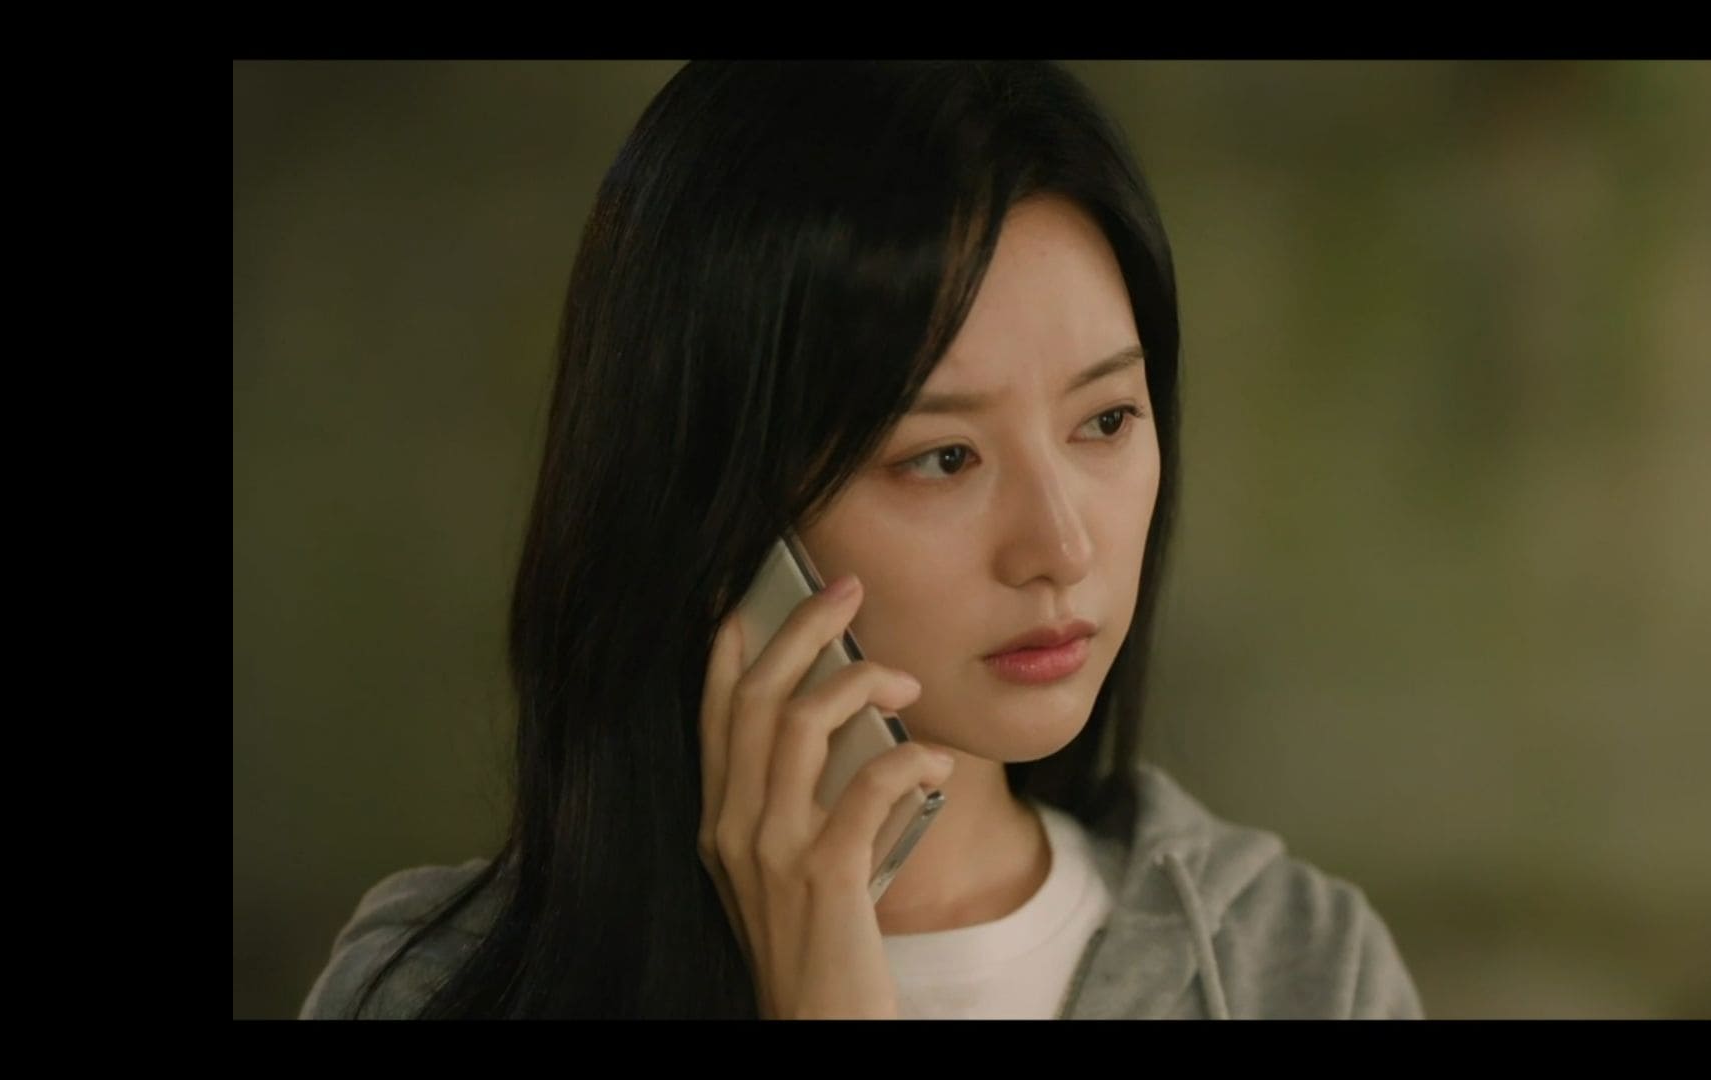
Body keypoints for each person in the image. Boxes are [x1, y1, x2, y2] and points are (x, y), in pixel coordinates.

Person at [298, 60, 1424, 1020]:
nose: (1062, 548)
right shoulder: (432, 989)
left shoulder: (1299, 966)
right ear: (719, 504)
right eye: (944, 457)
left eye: (1106, 421)